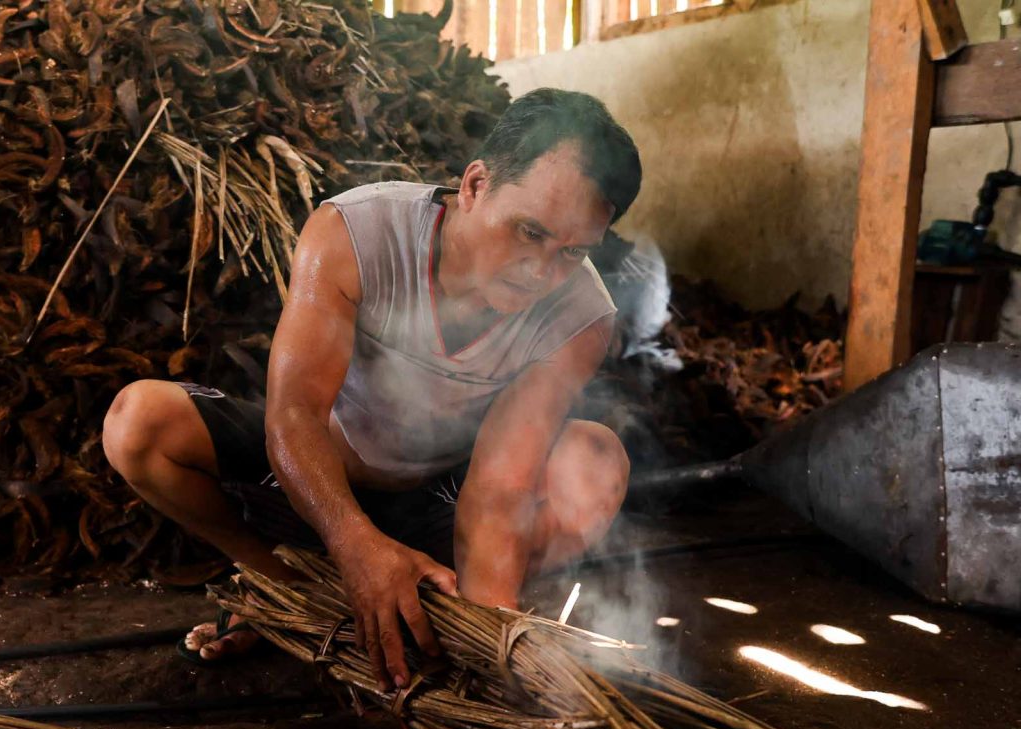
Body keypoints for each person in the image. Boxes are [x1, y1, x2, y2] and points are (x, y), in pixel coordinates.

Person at [104, 89, 639, 690]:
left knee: (593, 461)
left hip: (445, 503)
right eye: (529, 232)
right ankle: (278, 587)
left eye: (572, 251)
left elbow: (498, 488)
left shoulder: (581, 317)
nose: (542, 271)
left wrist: (490, 643)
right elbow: (296, 414)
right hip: (317, 476)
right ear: (475, 185)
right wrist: (354, 543)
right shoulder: (356, 234)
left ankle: (443, 609)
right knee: (139, 420)